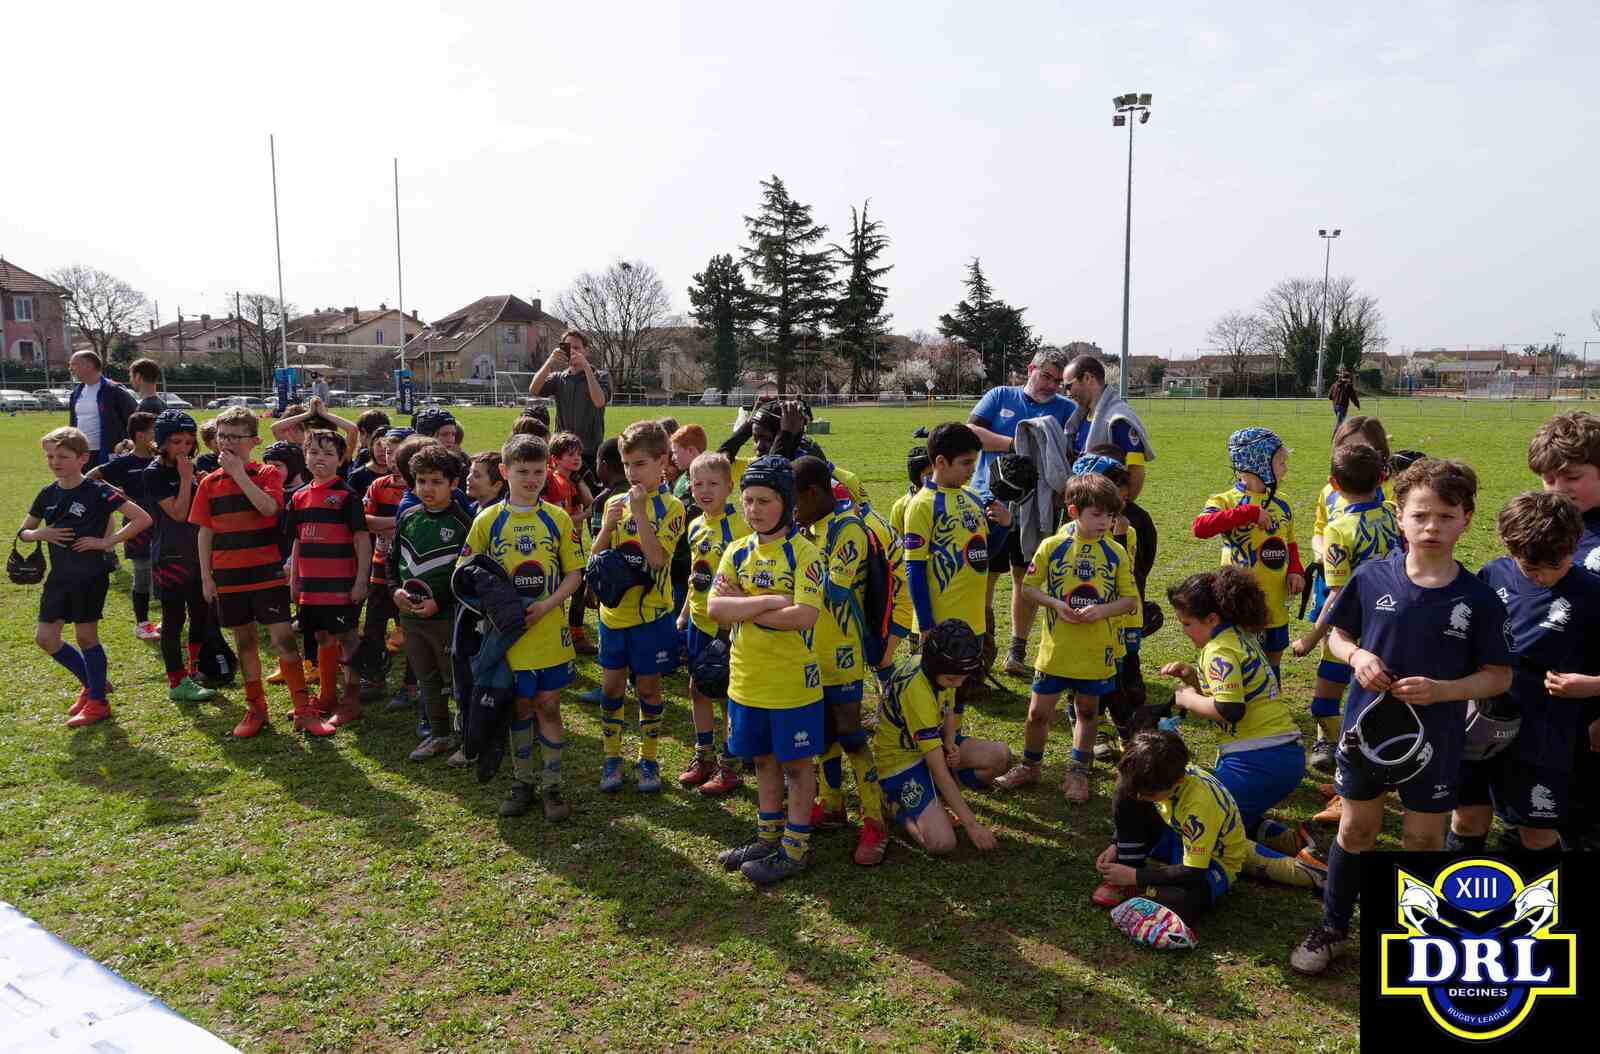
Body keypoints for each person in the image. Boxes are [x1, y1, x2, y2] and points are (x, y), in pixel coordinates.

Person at [1291, 458, 1513, 976]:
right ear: (1399, 517)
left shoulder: (1477, 598)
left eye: (1445, 516)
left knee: (1423, 840)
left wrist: (1444, 691)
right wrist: (1357, 657)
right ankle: (1333, 928)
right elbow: (1338, 636)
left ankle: (1417, 938)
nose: (1432, 526)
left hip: (1437, 739)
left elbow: (1499, 676)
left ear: (1466, 519)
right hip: (1365, 732)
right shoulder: (1372, 577)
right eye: (1420, 515)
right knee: (1357, 829)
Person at [1451, 492, 1600, 856]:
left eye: (1555, 565)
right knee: (1467, 820)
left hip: (1544, 735)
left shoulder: (1592, 593)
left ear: (1575, 543)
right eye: (1531, 568)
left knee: (1535, 833)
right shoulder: (1492, 575)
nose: (1543, 576)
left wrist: (1592, 686)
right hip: (1480, 722)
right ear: (1509, 547)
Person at [1161, 568, 1323, 891]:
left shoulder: (1219, 651)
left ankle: (1306, 872)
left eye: (1187, 624)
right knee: (1229, 812)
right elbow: (1227, 699)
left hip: (1258, 761)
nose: (1184, 631)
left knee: (1209, 829)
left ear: (1211, 618)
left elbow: (1230, 711)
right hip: (1280, 755)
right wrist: (1193, 679)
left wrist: (1188, 698)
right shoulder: (1237, 637)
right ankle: (1289, 839)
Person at [709, 456, 826, 885]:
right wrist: (768, 601)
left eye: (764, 500)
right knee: (762, 760)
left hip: (792, 683)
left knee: (796, 764)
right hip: (747, 679)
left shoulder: (805, 553)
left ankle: (795, 849)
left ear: (787, 503)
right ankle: (767, 837)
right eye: (748, 500)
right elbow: (716, 609)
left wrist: (743, 604)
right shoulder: (736, 550)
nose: (754, 509)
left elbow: (805, 616)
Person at [459, 434, 584, 820]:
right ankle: (522, 781)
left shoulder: (558, 518)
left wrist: (547, 605)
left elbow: (575, 574)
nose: (531, 479)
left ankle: (553, 786)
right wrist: (496, 607)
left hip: (548, 633)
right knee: (520, 707)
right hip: (508, 637)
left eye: (537, 472)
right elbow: (465, 572)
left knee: (549, 705)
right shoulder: (487, 520)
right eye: (522, 471)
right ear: (504, 471)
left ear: (547, 470)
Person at [995, 473, 1136, 800]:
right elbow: (1028, 588)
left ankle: (1078, 773)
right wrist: (1055, 604)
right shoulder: (1052, 546)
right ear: (1074, 512)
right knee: (1037, 714)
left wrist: (1102, 610)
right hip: (1055, 651)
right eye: (1097, 514)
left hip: (1094, 651)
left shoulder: (1116, 552)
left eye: (1110, 515)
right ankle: (1030, 766)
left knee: (1087, 712)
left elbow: (1130, 601)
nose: (1105, 522)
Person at [189, 406, 313, 738]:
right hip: (229, 576)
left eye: (234, 437)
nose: (226, 443)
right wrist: (206, 577)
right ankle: (256, 708)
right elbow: (204, 532)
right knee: (245, 642)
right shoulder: (209, 483)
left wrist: (239, 475)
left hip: (265, 573)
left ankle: (303, 708)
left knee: (283, 640)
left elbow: (269, 509)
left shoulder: (267, 473)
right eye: (222, 436)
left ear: (254, 441)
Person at [792, 455, 889, 866]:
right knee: (822, 730)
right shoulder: (812, 527)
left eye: (794, 501)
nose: (791, 510)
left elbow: (832, 590)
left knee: (850, 733)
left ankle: (875, 820)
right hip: (812, 648)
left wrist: (796, 559)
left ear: (814, 493)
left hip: (843, 651)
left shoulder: (848, 528)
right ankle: (832, 803)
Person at [21, 427, 152, 727]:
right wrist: (40, 533)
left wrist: (106, 542)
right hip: (59, 577)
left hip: (90, 575)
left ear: (82, 459)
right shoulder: (47, 493)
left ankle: (98, 703)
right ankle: (93, 684)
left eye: (62, 456)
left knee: (85, 637)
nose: (55, 462)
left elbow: (142, 518)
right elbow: (24, 531)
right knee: (46, 638)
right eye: (50, 456)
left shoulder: (98, 490)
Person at [1292, 443, 1401, 779]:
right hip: (1388, 624)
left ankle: (1355, 759)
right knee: (1373, 703)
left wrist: (1311, 638)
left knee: (1324, 705)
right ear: (1381, 479)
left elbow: (1338, 595)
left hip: (1349, 632)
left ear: (1333, 484)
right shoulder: (1392, 514)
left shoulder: (1338, 530)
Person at [965, 347, 1075, 675]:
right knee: (982, 576)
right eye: (1046, 377)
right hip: (989, 502)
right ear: (1030, 369)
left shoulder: (1066, 409)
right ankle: (979, 649)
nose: (1051, 385)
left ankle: (1016, 652)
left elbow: (1070, 455)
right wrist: (1017, 444)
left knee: (1025, 578)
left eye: (1058, 381)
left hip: (1036, 510)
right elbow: (971, 434)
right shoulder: (1000, 396)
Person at [593, 421, 686, 793]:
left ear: (662, 462)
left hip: (651, 618)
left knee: (648, 690)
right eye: (627, 464)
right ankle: (612, 757)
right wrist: (607, 527)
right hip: (614, 616)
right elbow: (595, 559)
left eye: (640, 464)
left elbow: (658, 559)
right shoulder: (613, 503)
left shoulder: (672, 507)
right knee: (611, 689)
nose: (632, 472)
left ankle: (649, 759)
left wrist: (640, 512)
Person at [1528, 411, 1600, 848]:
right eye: (1548, 477)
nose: (1557, 488)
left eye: (1572, 477)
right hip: (1548, 710)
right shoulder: (1546, 525)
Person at [874, 620, 1008, 855]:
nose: (958, 684)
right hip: (900, 763)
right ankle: (891, 804)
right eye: (952, 680)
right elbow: (938, 769)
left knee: (1001, 756)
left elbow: (948, 708)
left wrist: (949, 740)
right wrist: (972, 825)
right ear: (933, 668)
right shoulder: (918, 690)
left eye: (963, 678)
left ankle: (935, 794)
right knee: (941, 843)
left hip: (931, 745)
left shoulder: (943, 666)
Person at [1091, 731, 1247, 930]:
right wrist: (1118, 843)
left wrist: (1134, 876)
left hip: (1212, 861)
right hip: (1175, 834)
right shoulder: (1163, 774)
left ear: (1178, 782)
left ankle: (1142, 886)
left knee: (1181, 902)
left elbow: (1193, 872)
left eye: (1148, 794)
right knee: (1125, 788)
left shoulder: (1199, 807)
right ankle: (1132, 865)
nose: (1139, 797)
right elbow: (1136, 794)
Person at [1193, 428, 1303, 675]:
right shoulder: (1226, 501)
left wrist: (1295, 569)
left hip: (1275, 597)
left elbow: (1290, 541)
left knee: (1273, 658)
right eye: (1281, 463)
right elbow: (1200, 527)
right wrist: (1248, 513)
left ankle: (1272, 694)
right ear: (1259, 464)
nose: (1285, 469)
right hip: (1238, 600)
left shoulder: (1283, 502)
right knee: (1241, 656)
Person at [392, 445, 476, 762]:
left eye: (436, 481)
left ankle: (471, 738)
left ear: (453, 483)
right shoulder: (408, 517)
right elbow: (392, 563)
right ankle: (440, 734)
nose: (428, 488)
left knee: (457, 679)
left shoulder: (464, 523)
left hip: (447, 618)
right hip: (411, 616)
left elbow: (468, 575)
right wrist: (394, 592)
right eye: (421, 481)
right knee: (427, 678)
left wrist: (439, 602)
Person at [285, 429, 371, 732]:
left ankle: (351, 700)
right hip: (311, 586)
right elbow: (297, 541)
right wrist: (294, 580)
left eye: (328, 453)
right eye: (314, 452)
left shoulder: (347, 496)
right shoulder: (298, 497)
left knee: (347, 638)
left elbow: (362, 540)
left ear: (341, 459)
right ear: (305, 456)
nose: (320, 458)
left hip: (340, 585)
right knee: (322, 636)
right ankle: (327, 696)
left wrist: (361, 580)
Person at [675, 451, 750, 796]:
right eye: (698, 484)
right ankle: (703, 755)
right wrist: (684, 613)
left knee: (724, 693)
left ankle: (731, 764)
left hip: (726, 625)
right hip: (698, 622)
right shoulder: (694, 525)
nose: (704, 490)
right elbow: (697, 576)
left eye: (713, 484)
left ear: (729, 487)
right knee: (697, 687)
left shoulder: (740, 528)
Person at [904, 423, 1006, 656]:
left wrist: (1004, 527)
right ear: (941, 462)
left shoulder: (973, 498)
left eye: (974, 462)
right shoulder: (922, 504)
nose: (973, 470)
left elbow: (983, 556)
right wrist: (926, 625)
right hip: (939, 626)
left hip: (974, 623)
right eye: (966, 463)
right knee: (937, 680)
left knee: (970, 679)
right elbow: (914, 568)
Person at [142, 411, 218, 703]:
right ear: (162, 442)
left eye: (188, 442)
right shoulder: (154, 472)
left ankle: (193, 669)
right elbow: (178, 512)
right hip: (170, 555)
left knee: (201, 612)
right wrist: (187, 480)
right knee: (174, 618)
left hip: (197, 552)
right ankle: (177, 680)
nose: (183, 448)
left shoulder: (189, 467)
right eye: (176, 442)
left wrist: (203, 482)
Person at [87, 411, 160, 641]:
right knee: (142, 573)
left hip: (164, 526)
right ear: (140, 435)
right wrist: (118, 496)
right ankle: (142, 623)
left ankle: (168, 619)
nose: (159, 434)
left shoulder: (162, 459)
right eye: (154, 430)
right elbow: (90, 477)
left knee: (166, 574)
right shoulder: (124, 463)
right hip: (137, 527)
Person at [362, 429, 417, 708]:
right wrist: (398, 522)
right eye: (387, 452)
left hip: (410, 570)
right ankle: (373, 678)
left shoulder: (420, 487)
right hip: (380, 567)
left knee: (412, 628)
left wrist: (383, 524)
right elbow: (365, 521)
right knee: (373, 626)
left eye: (397, 453)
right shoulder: (378, 485)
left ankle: (411, 685)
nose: (391, 458)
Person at [526, 330, 610, 480]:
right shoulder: (559, 378)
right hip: (562, 452)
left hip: (589, 451)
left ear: (586, 350)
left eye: (577, 348)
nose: (572, 351)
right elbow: (534, 390)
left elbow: (599, 401)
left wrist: (586, 368)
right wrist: (549, 362)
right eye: (568, 347)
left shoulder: (601, 376)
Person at [65, 350, 140, 468]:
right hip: (82, 453)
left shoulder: (114, 390)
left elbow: (136, 419)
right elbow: (73, 424)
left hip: (109, 454)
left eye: (74, 364)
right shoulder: (76, 393)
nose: (70, 369)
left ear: (89, 365)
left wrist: (128, 445)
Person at [1327, 367, 1360, 433]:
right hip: (1342, 406)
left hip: (1335, 406)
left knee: (1341, 422)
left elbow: (1329, 396)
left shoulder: (1334, 385)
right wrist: (1357, 405)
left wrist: (1335, 398)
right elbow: (1353, 397)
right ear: (1348, 378)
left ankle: (1342, 435)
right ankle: (1335, 437)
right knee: (1339, 423)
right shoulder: (1348, 386)